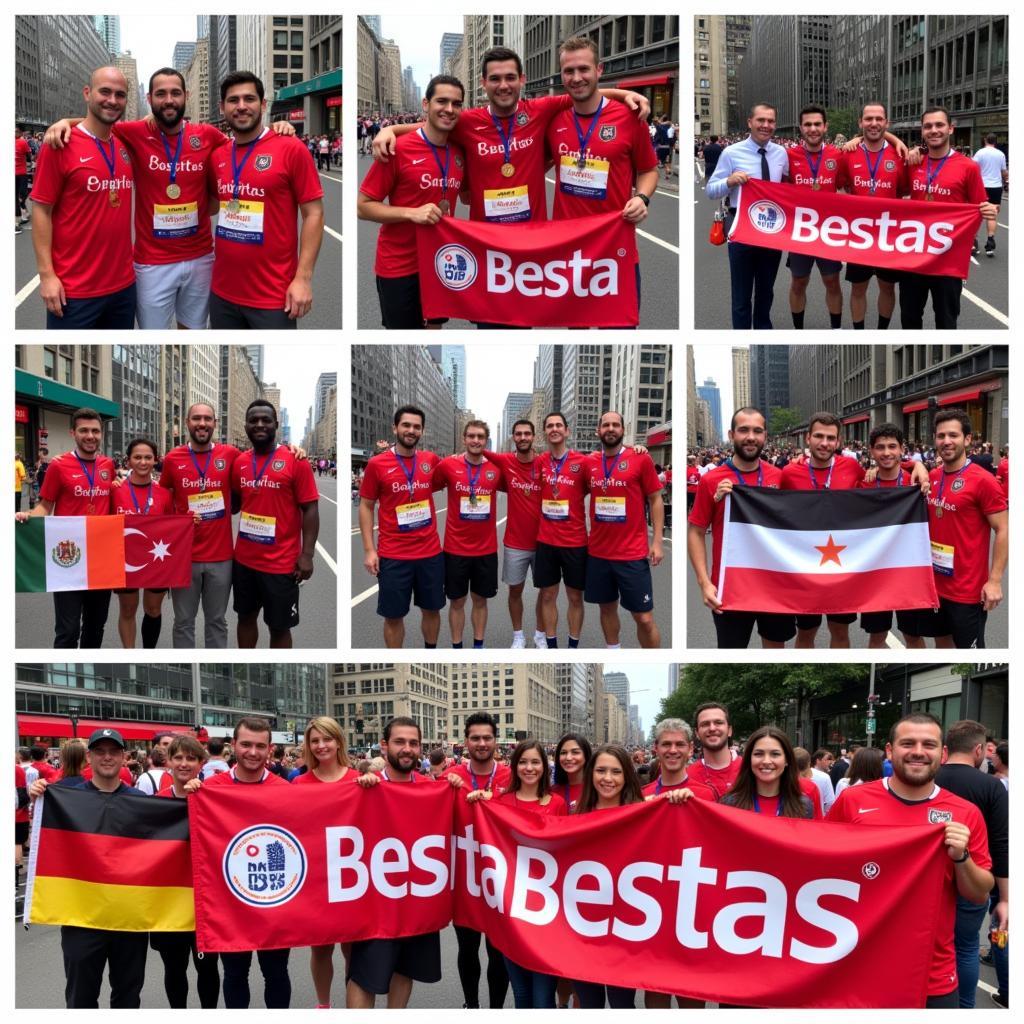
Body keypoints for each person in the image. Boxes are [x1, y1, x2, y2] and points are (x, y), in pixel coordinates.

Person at [42, 69, 291, 329]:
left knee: (192, 331)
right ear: (150, 99)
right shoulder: (134, 132)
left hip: (201, 257)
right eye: (161, 94)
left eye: (175, 93)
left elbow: (248, 138)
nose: (169, 100)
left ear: (187, 96)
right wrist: (65, 122)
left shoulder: (207, 135)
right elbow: (99, 120)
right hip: (152, 262)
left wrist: (276, 128)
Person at [828, 713, 994, 1008]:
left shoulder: (965, 814)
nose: (918, 751)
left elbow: (979, 893)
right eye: (908, 743)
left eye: (928, 744)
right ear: (890, 751)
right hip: (856, 966)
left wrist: (962, 858)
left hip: (930, 974)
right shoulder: (853, 801)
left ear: (942, 754)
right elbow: (819, 867)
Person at [780, 411, 927, 648]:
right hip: (805, 567)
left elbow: (888, 462)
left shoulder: (852, 468)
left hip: (843, 564)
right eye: (819, 436)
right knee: (806, 633)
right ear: (808, 438)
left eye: (830, 438)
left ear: (838, 442)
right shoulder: (788, 473)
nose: (824, 443)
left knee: (840, 632)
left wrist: (917, 463)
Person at [29, 729, 148, 1007]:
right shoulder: (63, 798)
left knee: (128, 998)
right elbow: (41, 841)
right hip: (80, 919)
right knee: (81, 999)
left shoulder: (142, 803)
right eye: (100, 751)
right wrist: (37, 801)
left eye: (113, 752)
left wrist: (193, 795)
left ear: (123, 757)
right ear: (89, 757)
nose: (107, 757)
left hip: (128, 919)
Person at [546, 37, 658, 325]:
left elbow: (648, 170)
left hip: (615, 250)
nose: (576, 78)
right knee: (577, 332)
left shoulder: (630, 117)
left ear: (599, 70)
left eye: (583, 69)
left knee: (621, 329)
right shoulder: (552, 118)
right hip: (569, 253)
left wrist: (641, 197)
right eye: (568, 71)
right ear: (561, 75)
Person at [209, 72, 325, 329]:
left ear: (262, 105)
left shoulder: (291, 148)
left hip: (273, 297)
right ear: (222, 107)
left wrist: (303, 279)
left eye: (249, 99)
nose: (241, 106)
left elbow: (314, 214)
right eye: (233, 100)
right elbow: (210, 204)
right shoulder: (217, 155)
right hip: (221, 294)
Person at [29, 67, 135, 329]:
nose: (112, 100)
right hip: (73, 291)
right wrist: (46, 276)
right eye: (105, 92)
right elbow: (41, 210)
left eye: (120, 94)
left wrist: (69, 119)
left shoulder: (124, 143)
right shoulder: (60, 144)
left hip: (124, 288)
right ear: (87, 93)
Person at [348, 717, 443, 1008]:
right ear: (384, 745)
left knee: (404, 971)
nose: (407, 749)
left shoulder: (433, 789)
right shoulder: (365, 788)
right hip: (375, 905)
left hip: (417, 902)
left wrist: (456, 784)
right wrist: (359, 789)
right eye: (400, 742)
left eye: (413, 743)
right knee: (364, 976)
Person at [358, 75, 466, 329]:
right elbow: (362, 206)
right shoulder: (398, 149)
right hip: (399, 266)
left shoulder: (460, 151)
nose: (449, 109)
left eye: (456, 103)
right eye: (442, 101)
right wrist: (411, 213)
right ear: (426, 104)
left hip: (441, 263)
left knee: (434, 330)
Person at [199, 717, 292, 1007]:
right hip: (231, 902)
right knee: (235, 974)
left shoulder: (285, 790)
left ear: (270, 749)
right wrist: (190, 792)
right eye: (246, 744)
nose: (253, 752)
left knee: (276, 973)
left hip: (274, 898)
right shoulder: (210, 789)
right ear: (233, 746)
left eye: (260, 746)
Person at [687, 407, 795, 649]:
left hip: (774, 585)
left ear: (765, 436)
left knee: (775, 651)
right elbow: (695, 532)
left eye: (757, 431)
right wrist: (705, 583)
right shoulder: (712, 480)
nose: (751, 437)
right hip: (730, 586)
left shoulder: (780, 477)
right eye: (744, 430)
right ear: (731, 434)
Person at [901, 409, 1008, 648]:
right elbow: (894, 464)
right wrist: (913, 465)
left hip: (967, 592)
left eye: (953, 435)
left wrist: (995, 581)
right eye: (940, 436)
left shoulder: (983, 481)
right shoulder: (933, 476)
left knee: (968, 653)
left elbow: (1003, 529)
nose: (946, 441)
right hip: (935, 587)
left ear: (967, 439)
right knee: (943, 646)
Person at [15, 408, 116, 648]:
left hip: (101, 558)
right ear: (73, 433)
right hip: (68, 557)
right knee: (68, 631)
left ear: (101, 433)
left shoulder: (108, 465)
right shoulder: (59, 465)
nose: (90, 436)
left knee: (95, 626)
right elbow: (45, 505)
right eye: (84, 430)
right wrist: (26, 516)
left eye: (95, 431)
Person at [230, 400, 319, 649]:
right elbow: (235, 503)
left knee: (279, 627)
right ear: (246, 425)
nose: (259, 425)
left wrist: (308, 555)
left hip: (281, 565)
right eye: (254, 420)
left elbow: (310, 508)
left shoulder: (295, 460)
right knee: (245, 618)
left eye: (266, 420)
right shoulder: (239, 462)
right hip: (245, 562)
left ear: (276, 425)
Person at [933, 720, 1009, 1008]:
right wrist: (1005, 898)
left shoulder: (929, 776)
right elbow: (1002, 844)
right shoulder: (991, 786)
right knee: (965, 948)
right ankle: (965, 1007)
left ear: (946, 748)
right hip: (973, 877)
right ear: (978, 749)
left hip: (929, 880)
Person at [901, 107, 997, 329]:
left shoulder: (968, 167)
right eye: (928, 126)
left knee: (946, 321)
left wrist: (988, 211)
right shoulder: (914, 162)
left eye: (939, 125)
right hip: (913, 256)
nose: (934, 130)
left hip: (948, 259)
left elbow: (978, 208)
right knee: (909, 319)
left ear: (951, 129)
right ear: (922, 131)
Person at [358, 406, 444, 648]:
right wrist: (369, 550)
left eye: (416, 427)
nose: (411, 430)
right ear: (395, 428)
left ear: (422, 431)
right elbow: (366, 506)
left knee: (432, 610)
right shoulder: (376, 464)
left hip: (430, 554)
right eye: (406, 425)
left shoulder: (430, 461)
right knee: (393, 616)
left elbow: (461, 473)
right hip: (394, 555)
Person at [444, 712, 512, 1009]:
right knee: (468, 950)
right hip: (466, 879)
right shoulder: (451, 777)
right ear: (465, 742)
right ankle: (471, 1006)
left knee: (499, 952)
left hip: (500, 879)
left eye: (487, 738)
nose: (481, 743)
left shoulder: (512, 776)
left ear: (495, 741)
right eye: (475, 738)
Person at [159, 403, 240, 648]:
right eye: (196, 418)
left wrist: (290, 449)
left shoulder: (231, 454)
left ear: (215, 423)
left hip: (221, 557)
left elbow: (260, 461)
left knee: (217, 620)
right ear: (187, 422)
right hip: (184, 556)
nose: (202, 423)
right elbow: (162, 498)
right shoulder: (173, 458)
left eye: (207, 419)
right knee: (183, 621)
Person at [495, 740, 566, 1009]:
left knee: (543, 996)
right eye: (523, 762)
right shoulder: (501, 802)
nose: (529, 768)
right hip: (511, 914)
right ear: (515, 766)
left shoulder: (557, 803)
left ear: (544, 767)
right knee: (522, 995)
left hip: (547, 914)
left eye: (535, 762)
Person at [150, 734, 220, 1007]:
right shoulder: (156, 802)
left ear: (202, 763)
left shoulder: (213, 799)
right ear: (168, 761)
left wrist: (201, 794)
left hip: (205, 902)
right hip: (168, 904)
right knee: (174, 969)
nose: (184, 763)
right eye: (178, 757)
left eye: (191, 758)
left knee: (208, 969)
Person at [570, 745, 641, 1008]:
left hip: (625, 933)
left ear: (626, 777)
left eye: (616, 771)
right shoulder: (574, 816)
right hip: (582, 931)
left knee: (622, 1005)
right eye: (600, 770)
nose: (607, 778)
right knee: (589, 1005)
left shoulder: (644, 815)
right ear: (590, 774)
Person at [585, 411, 664, 648]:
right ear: (598, 431)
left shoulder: (640, 459)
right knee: (606, 608)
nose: (611, 429)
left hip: (632, 554)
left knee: (644, 618)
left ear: (623, 429)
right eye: (606, 425)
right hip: (598, 554)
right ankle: (613, 649)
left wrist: (657, 542)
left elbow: (655, 499)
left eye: (615, 425)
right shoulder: (589, 462)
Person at [706, 102, 788, 329]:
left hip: (772, 231)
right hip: (741, 229)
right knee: (741, 296)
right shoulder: (731, 153)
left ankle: (763, 331)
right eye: (761, 120)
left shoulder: (781, 154)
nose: (766, 125)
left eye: (771, 121)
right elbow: (710, 190)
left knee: (766, 292)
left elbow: (791, 186)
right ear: (750, 122)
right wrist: (729, 181)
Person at [294, 717, 358, 1007]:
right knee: (320, 949)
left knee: (352, 949)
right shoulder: (299, 782)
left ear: (338, 741)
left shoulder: (358, 779)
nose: (321, 746)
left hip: (351, 876)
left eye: (327, 739)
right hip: (316, 876)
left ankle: (354, 1003)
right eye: (315, 741)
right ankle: (324, 1006)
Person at [431, 420, 504, 648]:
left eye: (480, 437)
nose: (475, 440)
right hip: (455, 549)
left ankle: (478, 645)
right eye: (471, 436)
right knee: (457, 601)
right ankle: (457, 646)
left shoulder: (496, 468)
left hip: (486, 550)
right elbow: (424, 487)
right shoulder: (448, 466)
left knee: (480, 601)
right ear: (464, 439)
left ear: (486, 440)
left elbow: (522, 489)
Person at [856, 423, 927, 647]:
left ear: (901, 449)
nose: (886, 452)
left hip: (909, 572)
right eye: (880, 447)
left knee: (913, 636)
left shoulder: (916, 482)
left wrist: (919, 464)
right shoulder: (862, 483)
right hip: (875, 574)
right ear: (871, 450)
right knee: (877, 635)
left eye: (892, 447)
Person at [839, 103, 906, 329]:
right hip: (860, 235)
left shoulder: (900, 154)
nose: (874, 123)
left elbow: (905, 190)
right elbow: (837, 185)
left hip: (889, 235)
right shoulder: (848, 153)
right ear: (860, 123)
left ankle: (881, 331)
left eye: (879, 119)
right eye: (868, 119)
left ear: (887, 123)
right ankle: (859, 332)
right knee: (858, 288)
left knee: (887, 287)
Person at [481, 419, 545, 649]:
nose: (523, 437)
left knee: (545, 593)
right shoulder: (505, 461)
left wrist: (631, 450)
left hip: (544, 541)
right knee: (515, 591)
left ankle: (540, 634)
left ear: (534, 436)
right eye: (518, 434)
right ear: (512, 437)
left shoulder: (545, 463)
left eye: (527, 433)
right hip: (515, 543)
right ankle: (518, 635)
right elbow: (478, 448)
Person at [110, 438, 177, 649]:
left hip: (156, 559)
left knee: (153, 610)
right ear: (128, 461)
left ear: (155, 460)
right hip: (125, 561)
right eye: (137, 457)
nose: (142, 462)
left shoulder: (164, 494)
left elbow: (172, 528)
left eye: (148, 457)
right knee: (128, 611)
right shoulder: (115, 491)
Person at [785, 105, 845, 330]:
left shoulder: (837, 156)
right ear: (801, 128)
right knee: (799, 282)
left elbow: (846, 188)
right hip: (800, 232)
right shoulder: (788, 156)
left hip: (829, 231)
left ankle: (836, 330)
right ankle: (798, 331)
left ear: (825, 127)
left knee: (832, 282)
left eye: (817, 124)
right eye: (808, 124)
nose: (813, 129)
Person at [533, 413, 589, 649]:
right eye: (549, 426)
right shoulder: (540, 461)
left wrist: (634, 448)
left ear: (567, 431)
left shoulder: (583, 462)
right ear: (545, 432)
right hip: (546, 541)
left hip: (575, 542)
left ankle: (573, 647)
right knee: (547, 596)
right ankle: (552, 644)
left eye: (558, 425)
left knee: (575, 597)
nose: (554, 429)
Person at [719, 725, 815, 819]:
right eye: (759, 754)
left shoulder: (803, 806)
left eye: (775, 754)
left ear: (787, 760)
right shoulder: (729, 804)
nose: (766, 761)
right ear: (749, 759)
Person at [686, 702, 741, 797]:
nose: (712, 728)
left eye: (718, 723)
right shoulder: (687, 776)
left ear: (729, 731)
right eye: (705, 724)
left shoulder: (749, 769)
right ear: (697, 733)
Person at [972, 134, 1007, 257]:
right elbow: (1004, 172)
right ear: (995, 142)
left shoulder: (980, 153)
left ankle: (973, 244)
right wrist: (1006, 179)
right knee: (992, 215)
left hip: (981, 186)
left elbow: (972, 168)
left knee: (977, 214)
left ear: (985, 140)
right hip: (996, 187)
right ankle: (990, 241)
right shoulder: (1001, 154)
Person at [552, 732, 592, 812]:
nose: (568, 758)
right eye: (563, 753)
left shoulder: (598, 790)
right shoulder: (551, 793)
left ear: (586, 755)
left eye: (575, 752)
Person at [15, 127, 32, 234]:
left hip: (22, 173)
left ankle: (24, 213)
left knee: (23, 194)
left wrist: (30, 166)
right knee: (16, 197)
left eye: (16, 131)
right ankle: (18, 220)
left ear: (21, 132)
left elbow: (29, 156)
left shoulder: (22, 142)